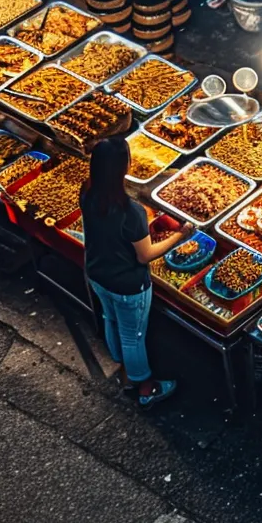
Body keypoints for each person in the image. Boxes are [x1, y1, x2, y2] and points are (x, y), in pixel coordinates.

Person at [79, 134, 193, 407]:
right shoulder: (131, 211)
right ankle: (144, 387)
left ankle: (122, 368)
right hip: (128, 284)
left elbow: (109, 232)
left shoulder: (87, 191)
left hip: (97, 273)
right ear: (124, 168)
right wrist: (182, 235)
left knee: (110, 319)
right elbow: (146, 256)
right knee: (134, 335)